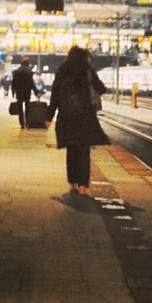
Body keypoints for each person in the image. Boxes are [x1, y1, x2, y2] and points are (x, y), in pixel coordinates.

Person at [45, 46, 110, 196]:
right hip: (85, 116)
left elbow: (54, 95)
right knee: (83, 150)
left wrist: (49, 117)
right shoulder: (87, 69)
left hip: (67, 117)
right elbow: (100, 88)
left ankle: (72, 181)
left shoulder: (62, 70)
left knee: (72, 149)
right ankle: (84, 186)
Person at [11, 56, 38, 128]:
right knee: (27, 107)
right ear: (28, 63)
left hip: (19, 92)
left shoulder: (16, 72)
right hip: (27, 92)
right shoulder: (29, 72)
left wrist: (13, 92)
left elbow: (13, 83)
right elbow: (31, 83)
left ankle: (22, 123)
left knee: (20, 108)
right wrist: (36, 92)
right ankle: (28, 122)